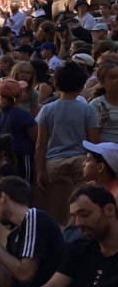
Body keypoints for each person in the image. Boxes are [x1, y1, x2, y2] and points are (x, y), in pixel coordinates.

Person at [36, 62, 101, 216]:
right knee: (82, 202)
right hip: (81, 161)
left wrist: (40, 170)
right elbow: (94, 142)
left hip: (54, 162)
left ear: (56, 85)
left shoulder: (47, 109)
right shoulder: (88, 109)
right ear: (81, 87)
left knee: (59, 204)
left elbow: (40, 143)